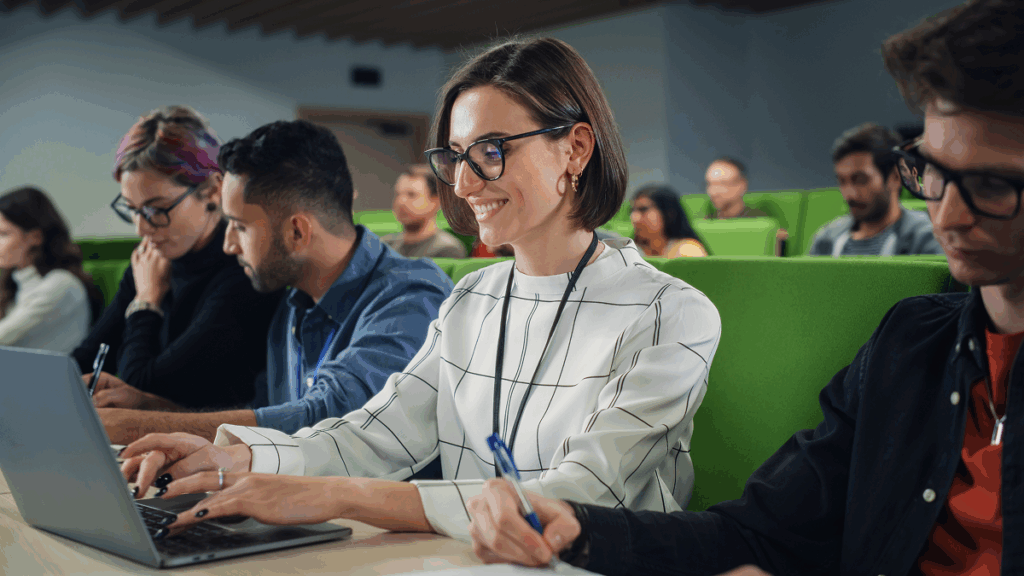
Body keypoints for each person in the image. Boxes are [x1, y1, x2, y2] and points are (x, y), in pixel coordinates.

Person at [464, 1, 1024, 574]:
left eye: (988, 183)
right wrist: (579, 527)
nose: (949, 216)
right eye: (933, 173)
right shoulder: (910, 345)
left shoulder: (669, 310)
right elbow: (759, 532)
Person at [117, 37, 721, 545]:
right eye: (454, 156)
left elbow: (579, 498)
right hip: (465, 561)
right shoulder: (473, 298)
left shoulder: (673, 314)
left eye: (491, 151)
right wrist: (239, 458)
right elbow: (374, 435)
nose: (462, 182)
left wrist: (327, 495)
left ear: (576, 148)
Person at [96, 120, 453, 443]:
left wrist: (136, 425)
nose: (228, 243)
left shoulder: (411, 294)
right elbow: (268, 416)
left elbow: (328, 420)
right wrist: (150, 406)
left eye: (239, 226)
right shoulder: (294, 302)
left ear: (297, 231)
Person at [74, 105, 281, 413]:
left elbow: (142, 388)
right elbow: (86, 358)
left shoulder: (242, 270)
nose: (142, 227)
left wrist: (146, 302)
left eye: (157, 209)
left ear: (212, 191)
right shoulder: (154, 258)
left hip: (221, 446)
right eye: (132, 209)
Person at [808, 122, 944, 257]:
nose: (849, 194)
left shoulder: (925, 238)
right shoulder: (826, 240)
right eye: (842, 181)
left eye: (861, 180)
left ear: (895, 177)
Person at [0, 186, 103, 352]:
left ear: (35, 237)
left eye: (3, 234)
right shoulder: (16, 284)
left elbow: (3, 336)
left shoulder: (60, 284)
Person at [381, 165, 467, 258]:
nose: (400, 202)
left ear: (436, 201)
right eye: (397, 194)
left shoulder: (447, 250)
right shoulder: (385, 246)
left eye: (411, 195)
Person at [631, 185, 708, 257]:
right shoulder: (632, 252)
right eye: (632, 210)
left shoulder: (689, 251)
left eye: (643, 209)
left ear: (668, 213)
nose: (634, 217)